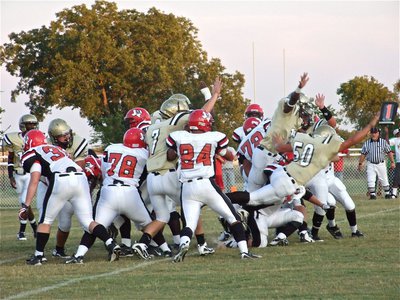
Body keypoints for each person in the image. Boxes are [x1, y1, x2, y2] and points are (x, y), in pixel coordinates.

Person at [167, 109, 261, 261]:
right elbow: (229, 155)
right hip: (206, 184)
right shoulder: (214, 137)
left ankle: (183, 244)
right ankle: (244, 251)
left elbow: (170, 155)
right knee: (233, 217)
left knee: (189, 224)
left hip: (188, 187)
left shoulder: (179, 137)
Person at [66, 128, 171, 263]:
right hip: (130, 192)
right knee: (148, 225)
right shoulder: (144, 153)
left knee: (95, 227)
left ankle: (79, 255)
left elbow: (104, 171)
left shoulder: (111, 148)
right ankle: (165, 249)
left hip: (109, 192)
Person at [145, 78, 222, 256]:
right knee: (191, 205)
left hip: (152, 174)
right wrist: (214, 94)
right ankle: (200, 244)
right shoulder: (177, 121)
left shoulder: (154, 123)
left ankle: (151, 242)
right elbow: (204, 114)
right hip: (171, 172)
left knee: (165, 213)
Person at [20, 130, 120, 265]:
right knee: (88, 221)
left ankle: (39, 256)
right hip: (80, 178)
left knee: (46, 220)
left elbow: (35, 179)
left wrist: (25, 205)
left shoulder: (33, 152)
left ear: (29, 142)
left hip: (61, 179)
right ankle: (111, 244)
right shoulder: (58, 149)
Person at [37, 118, 89, 259]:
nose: (67, 137)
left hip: (66, 183)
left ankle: (59, 249)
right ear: (53, 138)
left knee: (65, 222)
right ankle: (39, 251)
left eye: (68, 133)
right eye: (62, 135)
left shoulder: (78, 142)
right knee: (44, 217)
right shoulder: (44, 145)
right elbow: (38, 171)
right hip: (46, 183)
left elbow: (81, 167)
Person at [3, 114, 39, 241]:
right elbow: (11, 158)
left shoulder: (37, 139)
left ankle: (22, 232)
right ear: (23, 125)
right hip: (18, 174)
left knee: (25, 202)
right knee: (24, 204)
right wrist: (10, 176)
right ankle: (35, 228)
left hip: (30, 174)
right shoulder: (15, 139)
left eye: (34, 124)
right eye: (30, 124)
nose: (32, 127)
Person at [358, 127, 395, 199]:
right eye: (372, 133)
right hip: (371, 164)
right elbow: (363, 154)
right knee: (370, 179)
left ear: (378, 133)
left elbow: (389, 152)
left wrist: (392, 162)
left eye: (375, 133)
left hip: (381, 163)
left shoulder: (383, 142)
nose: (373, 134)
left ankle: (387, 194)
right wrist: (360, 163)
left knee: (384, 179)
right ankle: (372, 195)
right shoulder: (367, 143)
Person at [389, 128, 400, 198]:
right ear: (397, 134)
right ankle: (394, 194)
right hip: (399, 162)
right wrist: (387, 133)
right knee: (396, 178)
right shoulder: (396, 140)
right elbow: (387, 143)